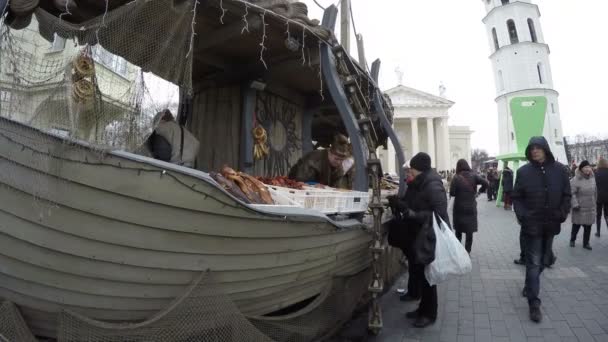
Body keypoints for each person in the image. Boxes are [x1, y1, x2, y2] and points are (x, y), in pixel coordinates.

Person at [512, 136, 571, 323]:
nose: (535, 151)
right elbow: (517, 197)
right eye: (532, 148)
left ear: (546, 149)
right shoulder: (523, 172)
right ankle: (534, 303)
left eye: (538, 147)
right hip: (532, 225)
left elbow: (566, 195)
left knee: (545, 259)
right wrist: (523, 215)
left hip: (552, 224)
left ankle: (530, 283)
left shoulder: (560, 170)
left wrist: (562, 213)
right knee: (534, 262)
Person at [388, 152, 449, 328]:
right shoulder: (419, 183)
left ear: (420, 169)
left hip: (428, 236)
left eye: (412, 169)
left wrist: (413, 214)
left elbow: (440, 214)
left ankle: (430, 314)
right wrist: (400, 205)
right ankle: (422, 308)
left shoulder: (432, 185)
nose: (409, 172)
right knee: (421, 274)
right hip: (418, 234)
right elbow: (413, 203)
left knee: (429, 277)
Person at [449, 159, 488, 254]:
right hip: (471, 207)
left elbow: (452, 193)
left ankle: (458, 252)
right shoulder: (474, 176)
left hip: (459, 208)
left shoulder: (456, 178)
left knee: (458, 231)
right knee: (469, 231)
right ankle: (467, 252)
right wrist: (479, 192)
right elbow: (486, 183)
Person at [288, 134, 353, 189]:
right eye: (336, 159)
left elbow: (335, 188)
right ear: (329, 152)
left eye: (341, 160)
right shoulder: (313, 159)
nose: (339, 162)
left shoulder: (339, 170)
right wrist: (314, 185)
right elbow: (300, 181)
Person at [570, 160, 597, 250]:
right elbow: (572, 193)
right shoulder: (575, 180)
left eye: (588, 167)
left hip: (590, 207)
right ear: (581, 169)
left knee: (588, 226)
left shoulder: (593, 178)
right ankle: (572, 240)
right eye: (585, 167)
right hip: (579, 207)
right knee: (576, 225)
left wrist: (595, 201)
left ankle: (586, 243)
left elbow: (595, 191)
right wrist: (575, 204)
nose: (587, 169)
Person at [595, 158, 608, 237]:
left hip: (599, 197)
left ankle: (598, 232)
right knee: (607, 215)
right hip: (607, 198)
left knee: (598, 215)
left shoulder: (596, 173)